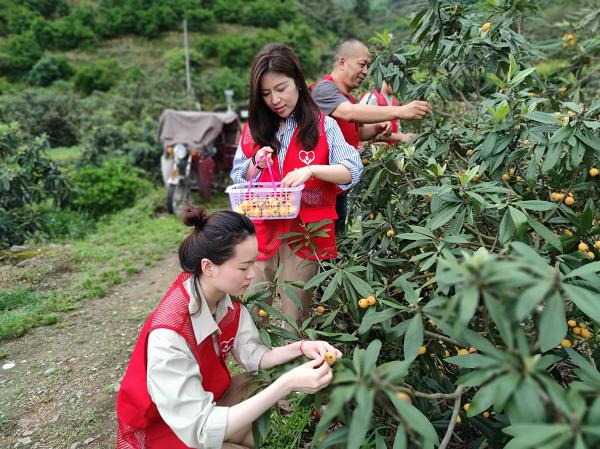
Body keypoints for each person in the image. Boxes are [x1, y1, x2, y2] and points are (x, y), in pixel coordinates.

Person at [116, 205, 341, 449]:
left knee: (257, 388)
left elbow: (254, 355)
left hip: (208, 397)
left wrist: (303, 346)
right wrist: (286, 384)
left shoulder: (223, 299)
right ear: (208, 267)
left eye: (254, 263)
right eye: (243, 267)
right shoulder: (169, 336)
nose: (253, 275)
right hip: (165, 427)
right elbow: (199, 429)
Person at [230, 43, 362, 327]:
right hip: (261, 231)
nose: (275, 99)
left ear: (299, 84)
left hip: (305, 232)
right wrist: (257, 162)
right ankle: (258, 365)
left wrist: (312, 170)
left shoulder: (323, 125)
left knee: (295, 314)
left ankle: (292, 365)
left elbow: (351, 169)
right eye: (265, 94)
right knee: (254, 307)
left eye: (281, 88)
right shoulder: (253, 128)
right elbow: (238, 176)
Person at [311, 39, 432, 234]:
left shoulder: (346, 97)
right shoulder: (324, 89)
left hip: (337, 188)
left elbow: (357, 134)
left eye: (368, 66)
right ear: (342, 62)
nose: (366, 71)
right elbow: (348, 113)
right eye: (362, 64)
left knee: (336, 247)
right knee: (319, 252)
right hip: (320, 188)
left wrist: (375, 129)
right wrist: (400, 111)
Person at [359, 80, 417, 144]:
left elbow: (398, 129)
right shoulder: (372, 98)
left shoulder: (394, 102)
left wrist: (406, 137)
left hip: (392, 149)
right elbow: (363, 131)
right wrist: (400, 137)